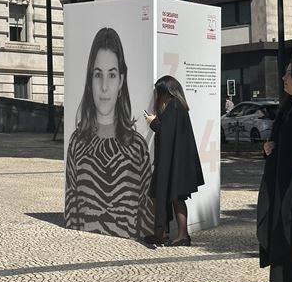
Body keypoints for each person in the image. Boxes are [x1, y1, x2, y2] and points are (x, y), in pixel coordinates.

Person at [65, 27, 153, 239]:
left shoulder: (137, 147)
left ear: (121, 81)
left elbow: (146, 215)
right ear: (90, 81)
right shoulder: (77, 143)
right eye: (98, 75)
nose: (104, 87)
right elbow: (72, 211)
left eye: (112, 75)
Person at [257, 56, 292, 282]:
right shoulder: (289, 106)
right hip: (287, 183)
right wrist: (267, 148)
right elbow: (278, 143)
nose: (283, 77)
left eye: (288, 73)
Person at [143, 75, 204, 247]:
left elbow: (165, 134)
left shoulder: (173, 107)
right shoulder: (179, 106)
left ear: (165, 91)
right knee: (176, 197)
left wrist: (153, 122)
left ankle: (166, 233)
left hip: (172, 163)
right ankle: (179, 234)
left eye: (159, 92)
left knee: (163, 195)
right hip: (178, 162)